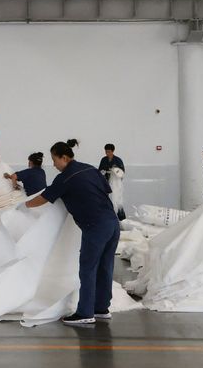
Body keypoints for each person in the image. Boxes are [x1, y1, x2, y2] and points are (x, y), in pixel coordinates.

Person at [20, 138, 120, 326]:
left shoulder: (65, 177)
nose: (54, 164)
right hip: (112, 223)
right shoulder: (91, 169)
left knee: (88, 269)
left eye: (54, 160)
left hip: (95, 226)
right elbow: (105, 190)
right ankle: (101, 308)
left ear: (64, 158)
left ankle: (85, 313)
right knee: (105, 267)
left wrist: (23, 204)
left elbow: (44, 198)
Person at [98, 143, 126, 220]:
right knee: (107, 200)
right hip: (106, 183)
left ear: (113, 151)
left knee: (117, 201)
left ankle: (122, 219)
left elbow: (122, 172)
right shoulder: (103, 160)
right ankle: (109, 218)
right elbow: (99, 170)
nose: (107, 153)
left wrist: (115, 171)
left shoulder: (118, 160)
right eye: (106, 151)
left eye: (109, 151)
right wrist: (103, 172)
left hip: (116, 185)